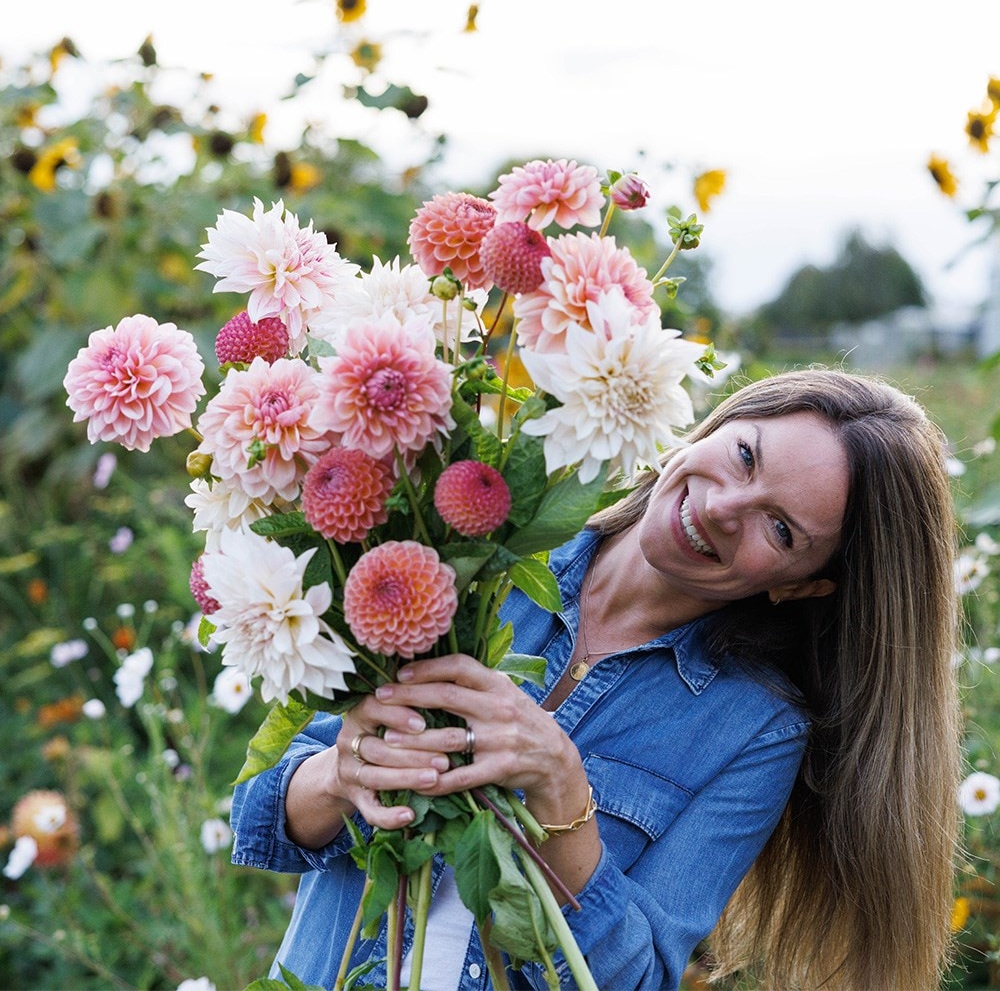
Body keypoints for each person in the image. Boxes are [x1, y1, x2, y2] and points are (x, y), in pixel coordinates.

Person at [231, 367, 962, 990]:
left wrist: (561, 789)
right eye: (744, 455)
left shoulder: (753, 729)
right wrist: (340, 773)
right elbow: (258, 815)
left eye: (781, 529)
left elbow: (636, 978)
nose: (720, 507)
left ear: (805, 587)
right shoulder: (475, 545)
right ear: (714, 426)